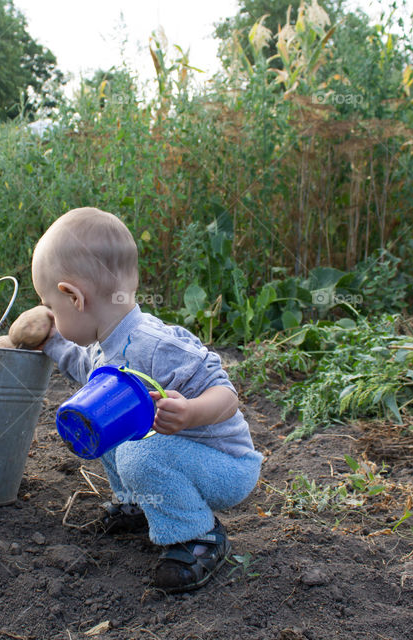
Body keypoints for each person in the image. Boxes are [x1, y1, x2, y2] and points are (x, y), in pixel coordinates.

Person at [30, 206, 262, 593]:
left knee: (140, 453)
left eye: (50, 307)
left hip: (226, 466)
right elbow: (80, 364)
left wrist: (190, 413)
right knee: (99, 420)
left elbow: (227, 395)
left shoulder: (157, 345)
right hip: (183, 458)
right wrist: (50, 341)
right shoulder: (108, 343)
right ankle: (142, 503)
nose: (49, 314)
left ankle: (199, 537)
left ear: (73, 297)